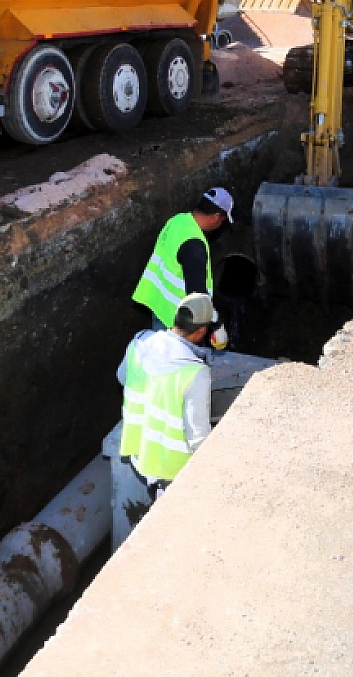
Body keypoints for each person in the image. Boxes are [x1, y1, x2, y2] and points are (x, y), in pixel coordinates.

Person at [117, 292, 216, 498]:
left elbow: (122, 377)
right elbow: (198, 438)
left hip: (140, 452)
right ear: (201, 331)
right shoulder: (195, 373)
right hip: (171, 471)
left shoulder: (140, 342)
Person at [133, 188, 233, 331]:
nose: (220, 225)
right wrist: (216, 323)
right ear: (216, 216)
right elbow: (197, 295)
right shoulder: (195, 246)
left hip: (160, 308)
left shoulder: (177, 221)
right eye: (223, 220)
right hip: (179, 321)